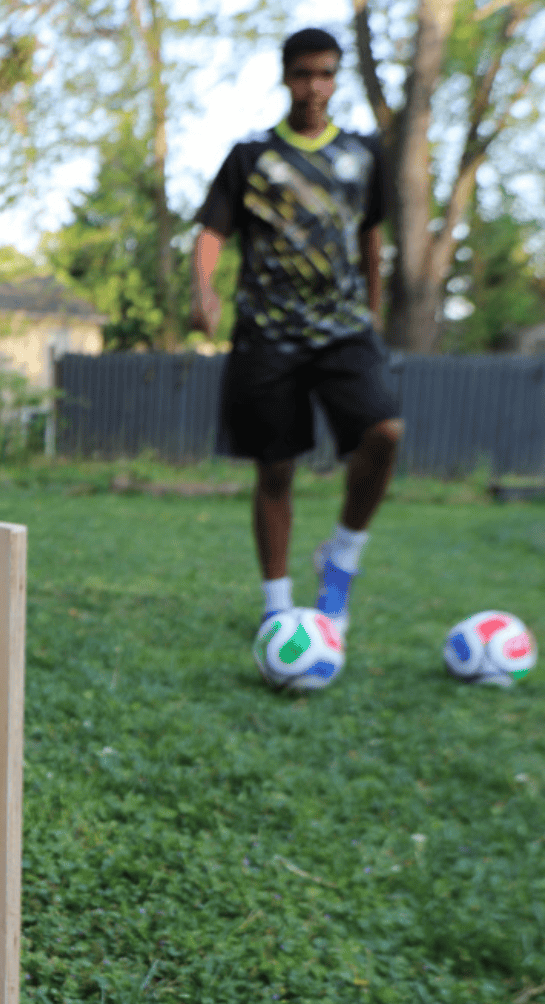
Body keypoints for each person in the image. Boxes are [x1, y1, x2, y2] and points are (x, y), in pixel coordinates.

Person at [190, 26, 403, 639]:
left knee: (384, 431)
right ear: (286, 76)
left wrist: (375, 309)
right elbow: (211, 231)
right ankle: (277, 608)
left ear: (337, 79)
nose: (315, 86)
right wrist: (204, 291)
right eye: (305, 73)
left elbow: (371, 236)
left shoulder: (364, 154)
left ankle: (341, 558)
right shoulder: (251, 157)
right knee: (275, 470)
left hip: (343, 328)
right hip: (268, 334)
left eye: (327, 74)